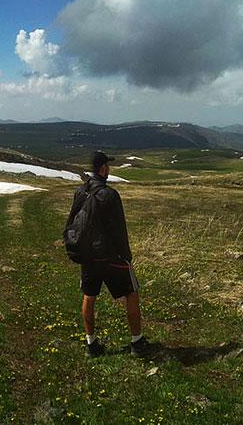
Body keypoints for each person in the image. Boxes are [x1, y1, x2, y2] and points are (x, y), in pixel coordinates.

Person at [66, 150, 151, 357]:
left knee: (89, 296)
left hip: (87, 256)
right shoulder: (110, 194)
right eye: (108, 166)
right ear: (103, 168)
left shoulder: (80, 191)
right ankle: (137, 342)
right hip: (110, 257)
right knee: (131, 292)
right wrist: (126, 256)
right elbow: (119, 229)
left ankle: (91, 344)